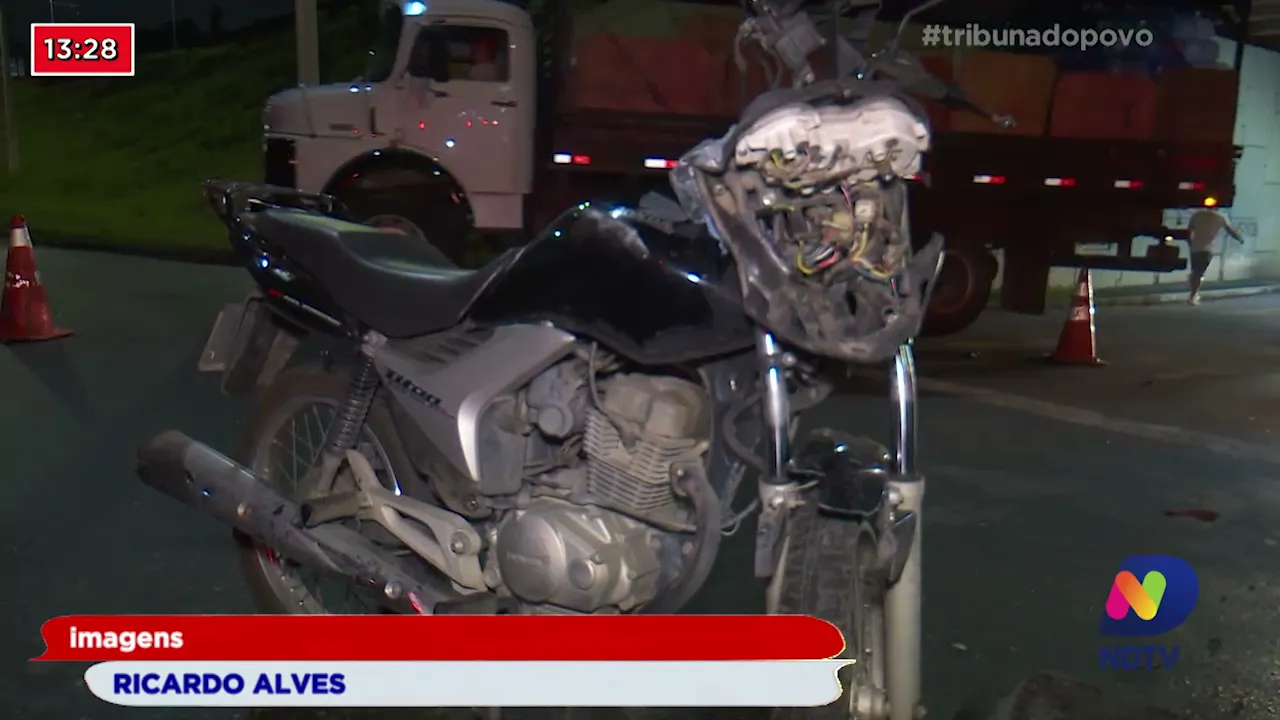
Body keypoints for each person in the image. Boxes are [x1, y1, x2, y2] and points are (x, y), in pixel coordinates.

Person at [1185, 207, 1244, 305]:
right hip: (1207, 249)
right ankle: (1193, 295)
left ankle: (1193, 291)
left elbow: (1189, 230)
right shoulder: (1220, 217)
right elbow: (1230, 230)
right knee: (1199, 272)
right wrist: (1240, 238)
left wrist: (1190, 243)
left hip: (1195, 247)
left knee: (1196, 271)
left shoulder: (1197, 215)